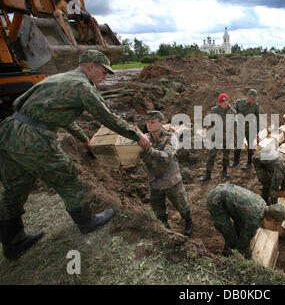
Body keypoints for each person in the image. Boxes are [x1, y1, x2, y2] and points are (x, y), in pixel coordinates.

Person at [0, 50, 152, 260]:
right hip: (33, 138)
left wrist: (83, 138)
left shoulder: (57, 78)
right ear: (90, 66)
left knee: (13, 188)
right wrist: (137, 136)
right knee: (69, 179)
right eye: (103, 71)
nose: (105, 76)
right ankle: (87, 222)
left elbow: (43, 110)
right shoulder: (82, 87)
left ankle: (12, 243)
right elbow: (107, 117)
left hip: (9, 131)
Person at [139, 110, 192, 236]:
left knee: (182, 205)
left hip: (171, 181)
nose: (149, 125)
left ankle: (188, 221)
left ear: (161, 123)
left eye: (152, 122)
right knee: (158, 209)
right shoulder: (145, 138)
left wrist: (151, 152)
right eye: (147, 122)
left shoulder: (171, 137)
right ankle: (165, 226)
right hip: (154, 181)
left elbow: (167, 156)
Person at [207, 183, 285, 259]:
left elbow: (242, 223)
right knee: (231, 238)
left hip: (223, 188)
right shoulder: (255, 218)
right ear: (272, 218)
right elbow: (243, 245)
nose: (273, 223)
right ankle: (227, 257)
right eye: (275, 222)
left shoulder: (262, 203)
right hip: (216, 200)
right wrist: (249, 259)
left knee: (240, 228)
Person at [200, 93, 237, 181]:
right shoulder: (214, 111)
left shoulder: (232, 112)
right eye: (222, 102)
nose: (224, 104)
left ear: (228, 101)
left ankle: (224, 171)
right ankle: (208, 173)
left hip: (227, 138)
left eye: (225, 102)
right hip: (216, 137)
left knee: (226, 156)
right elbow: (210, 124)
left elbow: (234, 126)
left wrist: (235, 139)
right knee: (212, 155)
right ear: (219, 102)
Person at [230, 88, 260, 170]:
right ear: (248, 96)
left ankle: (249, 163)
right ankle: (236, 161)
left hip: (251, 129)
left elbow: (258, 120)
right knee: (238, 145)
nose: (254, 100)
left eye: (255, 99)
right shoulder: (239, 103)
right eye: (253, 98)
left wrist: (257, 133)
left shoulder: (256, 106)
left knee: (250, 147)